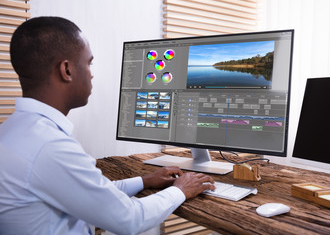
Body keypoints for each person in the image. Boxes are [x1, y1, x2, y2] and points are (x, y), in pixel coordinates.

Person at [0, 16, 215, 235]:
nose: (91, 73)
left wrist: (144, 180)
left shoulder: (14, 131)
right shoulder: (50, 147)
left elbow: (91, 192)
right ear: (67, 70)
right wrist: (181, 189)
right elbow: (130, 219)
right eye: (88, 63)